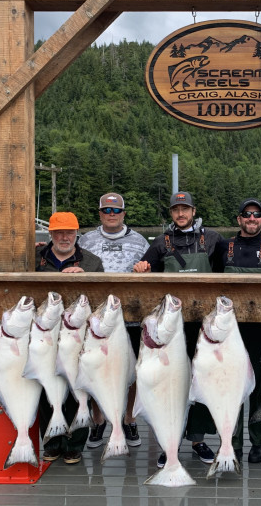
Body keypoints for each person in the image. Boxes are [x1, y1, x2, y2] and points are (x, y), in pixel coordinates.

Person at [132, 191, 223, 467]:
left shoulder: (214, 239)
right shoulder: (161, 242)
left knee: (202, 382)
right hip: (170, 328)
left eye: (185, 209)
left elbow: (226, 272)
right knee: (166, 385)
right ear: (171, 214)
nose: (180, 214)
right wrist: (140, 268)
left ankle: (197, 440)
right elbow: (146, 271)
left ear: (194, 211)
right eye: (176, 210)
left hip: (204, 326)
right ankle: (166, 441)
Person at [215, 198, 261, 464]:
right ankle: (232, 442)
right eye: (247, 214)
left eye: (256, 214)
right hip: (229, 334)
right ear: (239, 219)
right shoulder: (223, 246)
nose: (251, 218)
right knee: (231, 388)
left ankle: (259, 441)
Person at [77, 193, 150, 450]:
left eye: (116, 210)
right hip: (96, 320)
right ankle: (98, 420)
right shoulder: (84, 240)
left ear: (123, 213)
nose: (111, 214)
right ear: (99, 213)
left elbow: (152, 270)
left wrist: (146, 270)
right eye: (106, 210)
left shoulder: (140, 241)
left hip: (131, 318)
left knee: (130, 372)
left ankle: (129, 419)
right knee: (96, 370)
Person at [35, 211, 103, 465]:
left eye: (70, 232)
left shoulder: (93, 262)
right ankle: (51, 442)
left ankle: (74, 445)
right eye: (59, 232)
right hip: (45, 337)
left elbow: (100, 300)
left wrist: (85, 277)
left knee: (79, 390)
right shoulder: (34, 258)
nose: (65, 237)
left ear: (77, 233)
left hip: (78, 338)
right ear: (50, 234)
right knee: (46, 388)